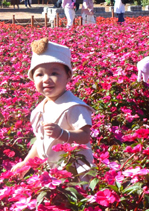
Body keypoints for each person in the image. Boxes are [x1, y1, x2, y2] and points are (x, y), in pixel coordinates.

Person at [11, 38, 93, 173]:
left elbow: (85, 136)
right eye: (39, 74)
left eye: (54, 73)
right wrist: (26, 163)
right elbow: (41, 141)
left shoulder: (74, 106)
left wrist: (62, 134)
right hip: (51, 172)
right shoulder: (40, 109)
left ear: (68, 76)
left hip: (74, 173)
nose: (46, 79)